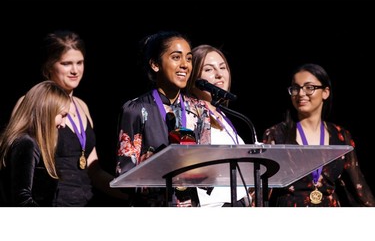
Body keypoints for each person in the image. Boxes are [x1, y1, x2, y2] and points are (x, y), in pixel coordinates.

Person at [11, 30, 127, 206]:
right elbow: (18, 168)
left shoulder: (82, 106)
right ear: (49, 66)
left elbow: (94, 172)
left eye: (79, 62)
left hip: (86, 203)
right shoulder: (30, 103)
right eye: (66, 63)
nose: (75, 70)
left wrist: (132, 193)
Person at [115, 30, 211, 207]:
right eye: (176, 57)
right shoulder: (136, 109)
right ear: (155, 64)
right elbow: (124, 174)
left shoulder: (199, 110)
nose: (185, 65)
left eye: (189, 58)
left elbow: (207, 170)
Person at [262, 63, 375, 207]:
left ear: (325, 92)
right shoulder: (276, 134)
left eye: (309, 88)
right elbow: (262, 188)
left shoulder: (341, 136)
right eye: (296, 88)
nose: (301, 94)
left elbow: (359, 189)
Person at [185, 44, 251, 207]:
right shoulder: (188, 115)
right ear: (194, 80)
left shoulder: (223, 116)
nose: (219, 74)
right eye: (208, 69)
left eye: (223, 67)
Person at [0, 81, 71, 206]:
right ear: (47, 112)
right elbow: (21, 200)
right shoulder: (26, 143)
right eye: (62, 115)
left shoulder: (32, 142)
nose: (64, 124)